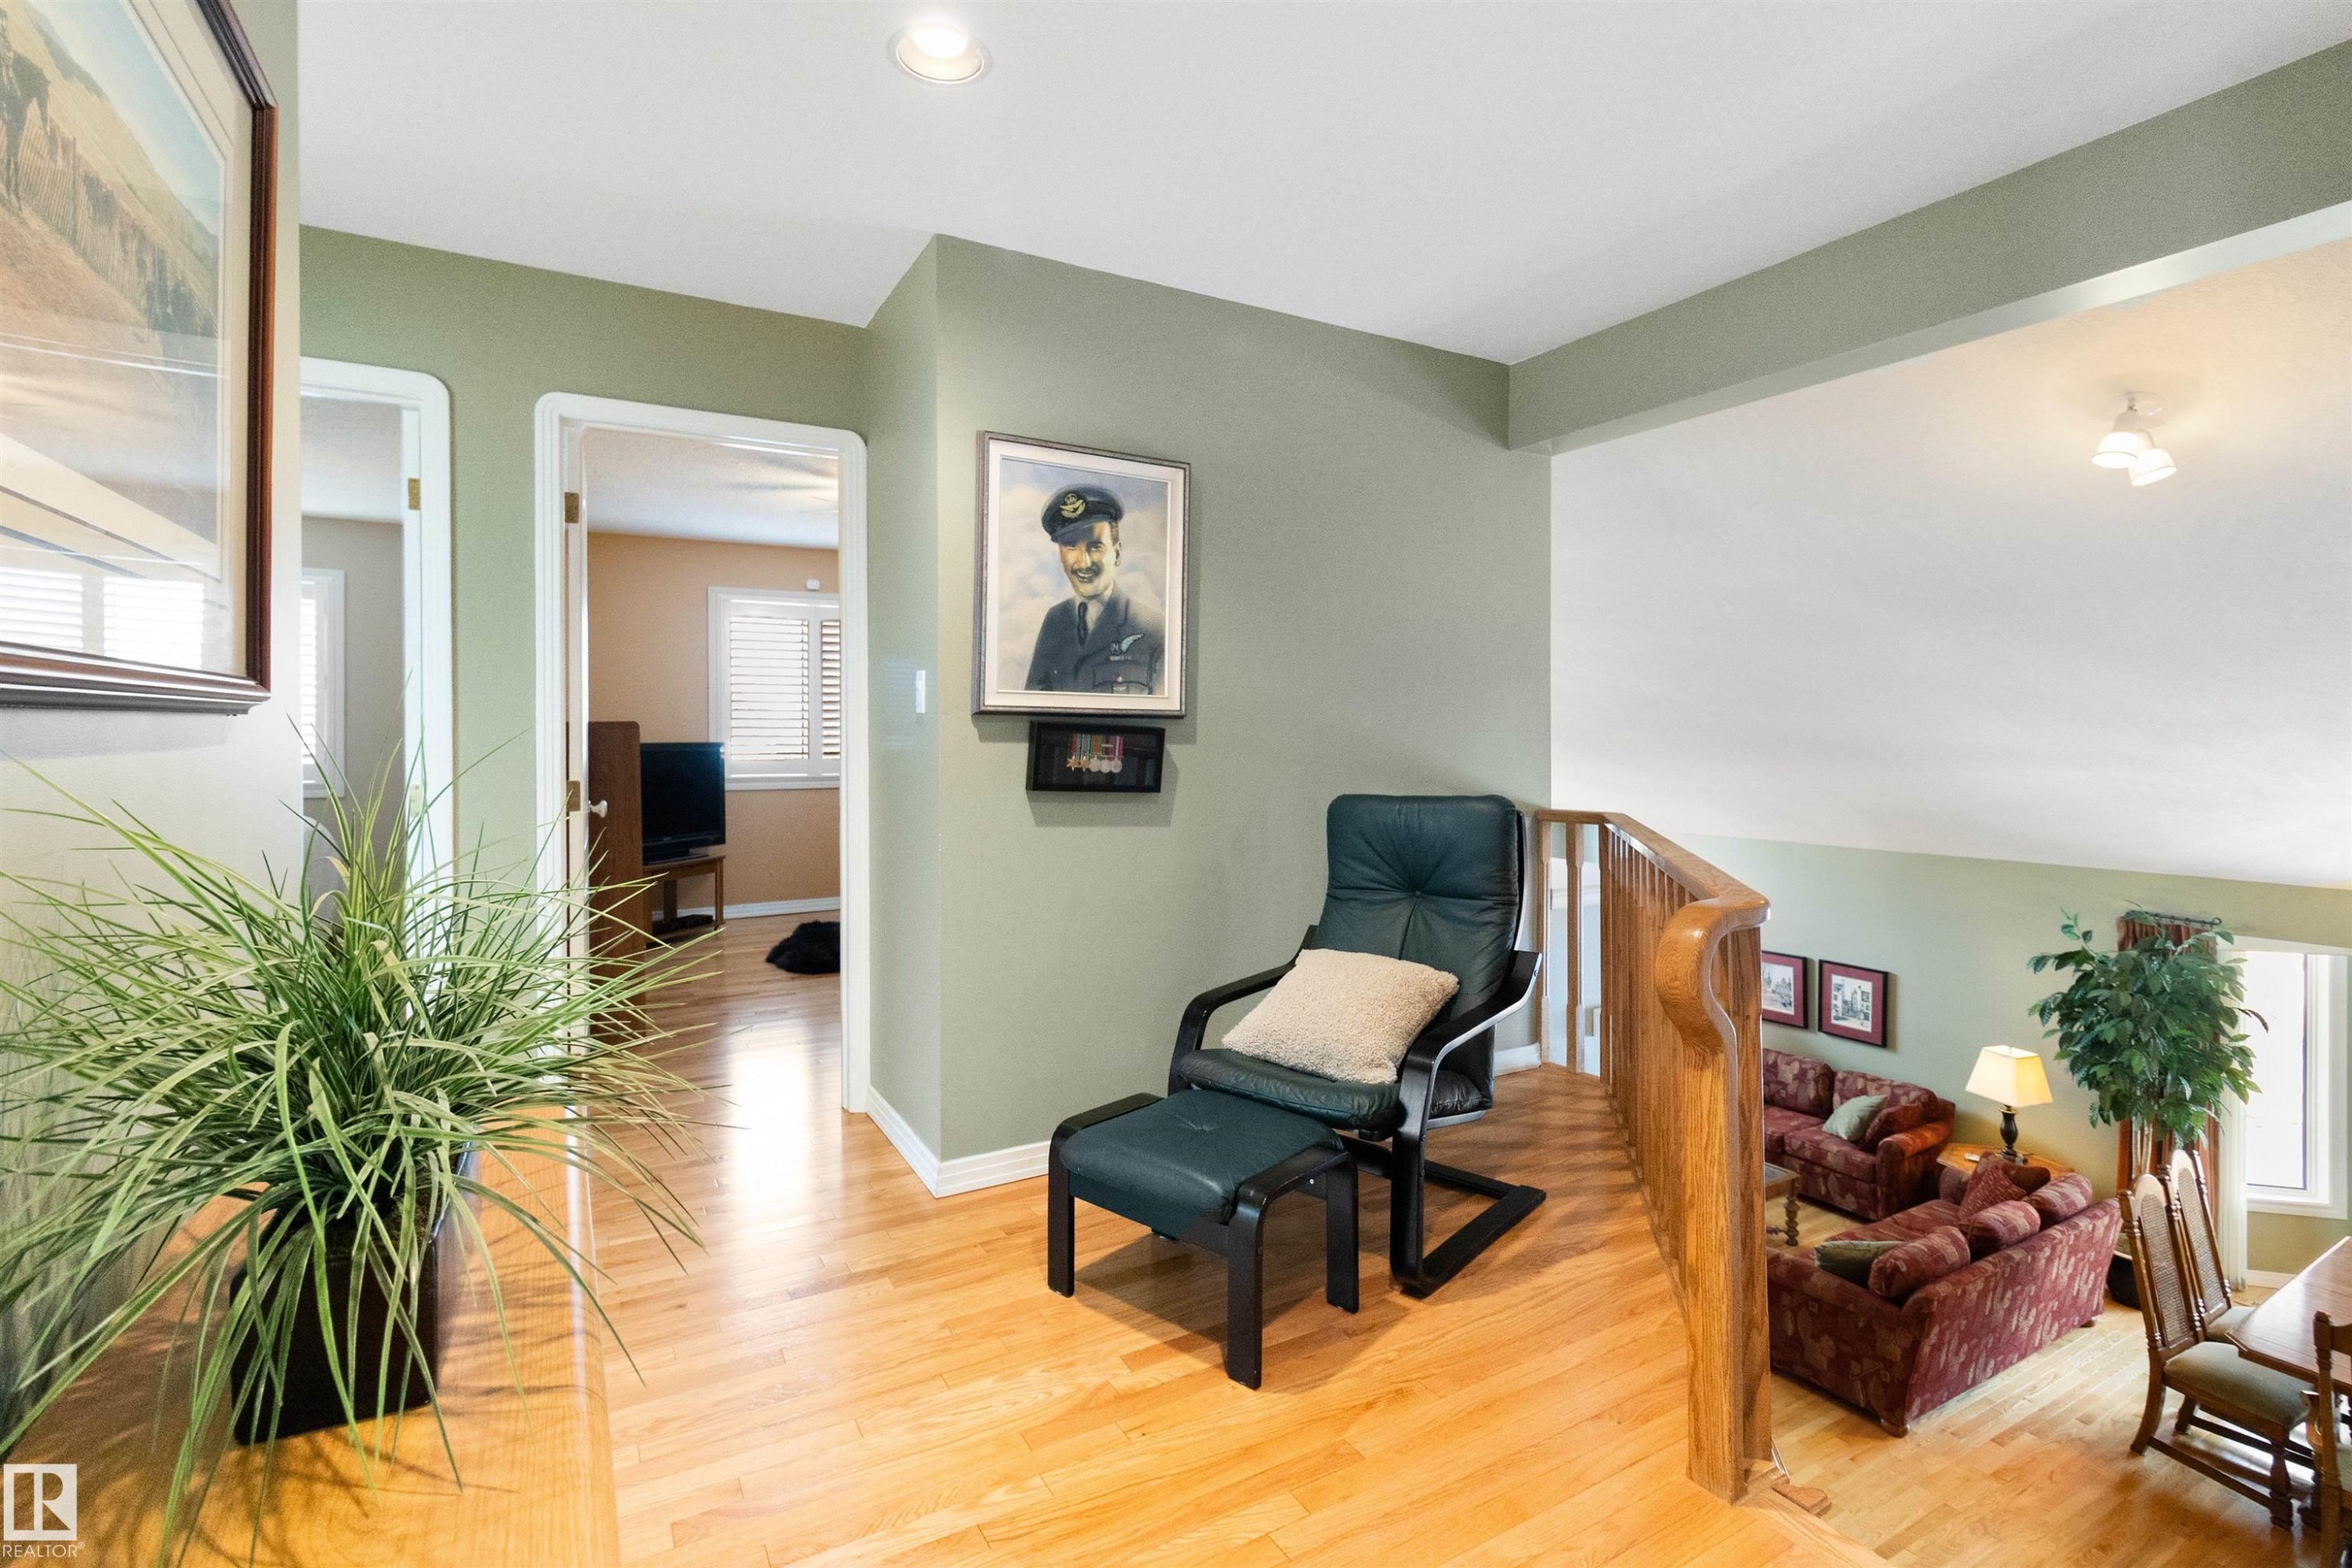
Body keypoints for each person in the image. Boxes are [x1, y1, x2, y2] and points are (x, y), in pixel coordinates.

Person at [1024, 484, 1163, 695]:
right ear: (1060, 554)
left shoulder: (1153, 629)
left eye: (1095, 546)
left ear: (1117, 553)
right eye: (1071, 547)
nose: (1084, 562)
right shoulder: (1055, 620)